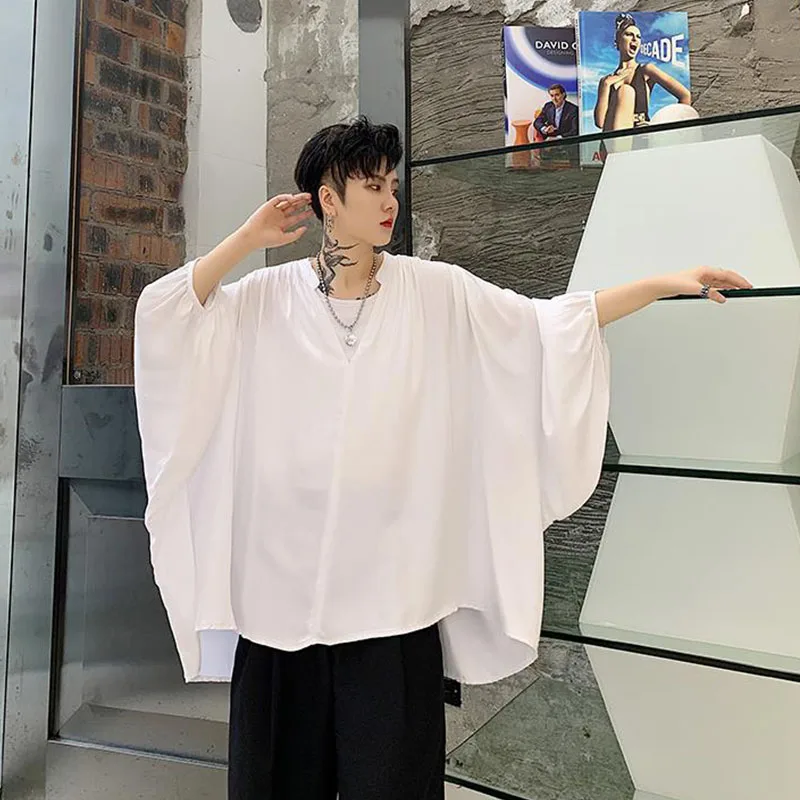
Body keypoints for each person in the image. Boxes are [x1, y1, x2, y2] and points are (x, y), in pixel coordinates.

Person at [133, 117, 750, 800]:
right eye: (373, 186)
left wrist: (662, 284)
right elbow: (167, 318)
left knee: (394, 782)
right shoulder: (262, 300)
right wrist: (246, 241)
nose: (390, 200)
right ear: (329, 200)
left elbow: (544, 326)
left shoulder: (437, 291)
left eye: (392, 185)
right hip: (279, 605)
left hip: (393, 604)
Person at [594, 13, 691, 131]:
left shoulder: (646, 70)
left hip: (641, 134)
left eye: (638, 36)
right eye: (629, 34)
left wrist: (676, 129)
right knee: (625, 91)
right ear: (618, 41)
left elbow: (685, 96)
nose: (635, 39)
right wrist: (606, 85)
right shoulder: (606, 81)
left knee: (626, 91)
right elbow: (600, 123)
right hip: (613, 136)